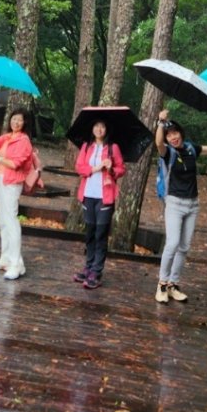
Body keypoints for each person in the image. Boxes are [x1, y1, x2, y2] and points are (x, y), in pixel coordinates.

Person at [155, 109, 207, 304]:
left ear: (181, 133)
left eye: (175, 133)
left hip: (193, 204)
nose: (173, 137)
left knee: (184, 247)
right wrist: (161, 123)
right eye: (169, 135)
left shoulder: (191, 148)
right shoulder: (167, 152)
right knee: (172, 243)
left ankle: (173, 285)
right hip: (174, 203)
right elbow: (158, 143)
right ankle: (161, 284)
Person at [0, 107, 33, 281]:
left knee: (11, 220)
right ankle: (5, 258)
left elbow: (17, 163)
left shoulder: (24, 140)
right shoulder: (8, 137)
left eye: (19, 120)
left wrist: (0, 159)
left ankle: (16, 264)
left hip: (13, 182)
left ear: (25, 122)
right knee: (3, 220)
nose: (16, 122)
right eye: (14, 119)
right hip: (1, 179)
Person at [73, 119, 125, 290]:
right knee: (90, 233)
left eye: (102, 126)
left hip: (105, 196)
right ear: (92, 128)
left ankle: (96, 271)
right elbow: (79, 168)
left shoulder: (113, 148)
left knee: (101, 234)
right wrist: (96, 168)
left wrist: (110, 169)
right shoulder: (86, 146)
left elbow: (121, 170)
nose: (99, 129)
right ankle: (88, 267)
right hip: (88, 195)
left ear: (106, 129)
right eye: (96, 126)